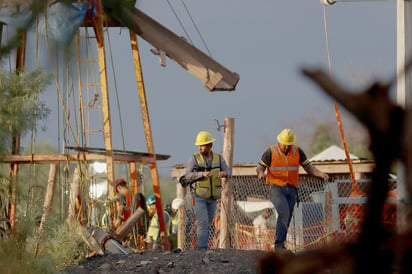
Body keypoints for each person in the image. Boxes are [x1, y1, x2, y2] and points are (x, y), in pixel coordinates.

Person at [256, 128, 329, 253]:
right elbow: (260, 167)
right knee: (284, 213)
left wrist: (320, 173)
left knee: (288, 216)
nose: (286, 147)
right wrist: (261, 173)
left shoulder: (297, 151)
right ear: (279, 141)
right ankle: (278, 246)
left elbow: (309, 167)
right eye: (284, 144)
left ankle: (281, 244)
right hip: (276, 188)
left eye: (288, 145)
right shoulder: (271, 151)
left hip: (291, 189)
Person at [184, 131, 231, 250]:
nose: (200, 147)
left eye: (203, 145)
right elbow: (187, 176)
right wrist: (201, 174)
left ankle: (203, 246)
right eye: (199, 145)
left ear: (210, 145)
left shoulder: (219, 158)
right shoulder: (194, 158)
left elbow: (229, 171)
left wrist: (224, 173)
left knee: (209, 221)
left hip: (213, 197)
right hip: (199, 196)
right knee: (203, 222)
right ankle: (202, 248)